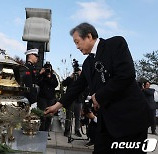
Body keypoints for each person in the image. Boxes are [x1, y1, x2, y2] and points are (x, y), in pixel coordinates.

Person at [44, 22, 150, 154]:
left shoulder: (115, 44)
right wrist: (57, 106)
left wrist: (98, 96)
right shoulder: (88, 63)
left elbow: (126, 75)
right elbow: (76, 87)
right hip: (106, 123)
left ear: (89, 36)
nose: (77, 47)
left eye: (77, 42)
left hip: (130, 119)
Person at [37, 61, 58, 135]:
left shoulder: (53, 76)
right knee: (42, 114)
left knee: (49, 115)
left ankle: (46, 130)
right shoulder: (42, 76)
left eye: (49, 69)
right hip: (42, 97)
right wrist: (41, 73)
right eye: (47, 69)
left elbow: (55, 84)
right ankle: (41, 130)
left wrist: (49, 77)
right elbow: (37, 82)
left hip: (51, 98)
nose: (48, 70)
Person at [62, 69, 82, 137]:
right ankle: (67, 130)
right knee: (69, 116)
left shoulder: (81, 80)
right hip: (71, 100)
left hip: (79, 100)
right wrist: (70, 77)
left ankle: (77, 130)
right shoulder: (70, 79)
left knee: (78, 116)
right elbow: (63, 83)